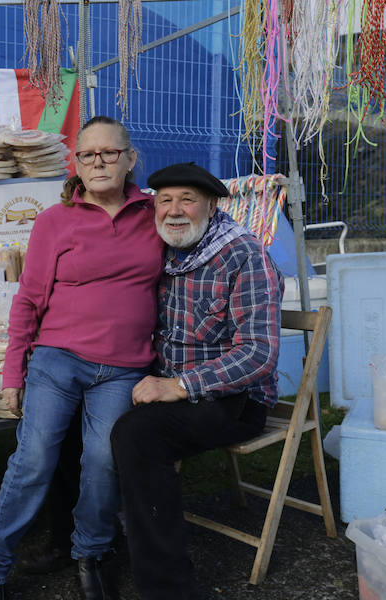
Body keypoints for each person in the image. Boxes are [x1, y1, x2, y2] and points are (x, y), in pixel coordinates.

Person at [0, 115, 165, 600]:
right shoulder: (54, 221)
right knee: (34, 459)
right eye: (87, 154)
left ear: (130, 159)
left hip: (123, 369)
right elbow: (28, 301)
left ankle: (90, 554)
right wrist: (13, 376)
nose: (98, 161)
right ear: (75, 163)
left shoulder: (154, 216)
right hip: (58, 361)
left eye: (109, 152)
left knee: (102, 460)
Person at [110, 162, 284, 600]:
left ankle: (169, 588)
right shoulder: (164, 252)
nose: (174, 210)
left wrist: (178, 386)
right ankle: (85, 547)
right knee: (82, 406)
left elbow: (258, 354)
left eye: (187, 199)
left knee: (137, 435)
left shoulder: (243, 254)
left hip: (235, 398)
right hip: (172, 386)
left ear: (211, 206)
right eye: (165, 200)